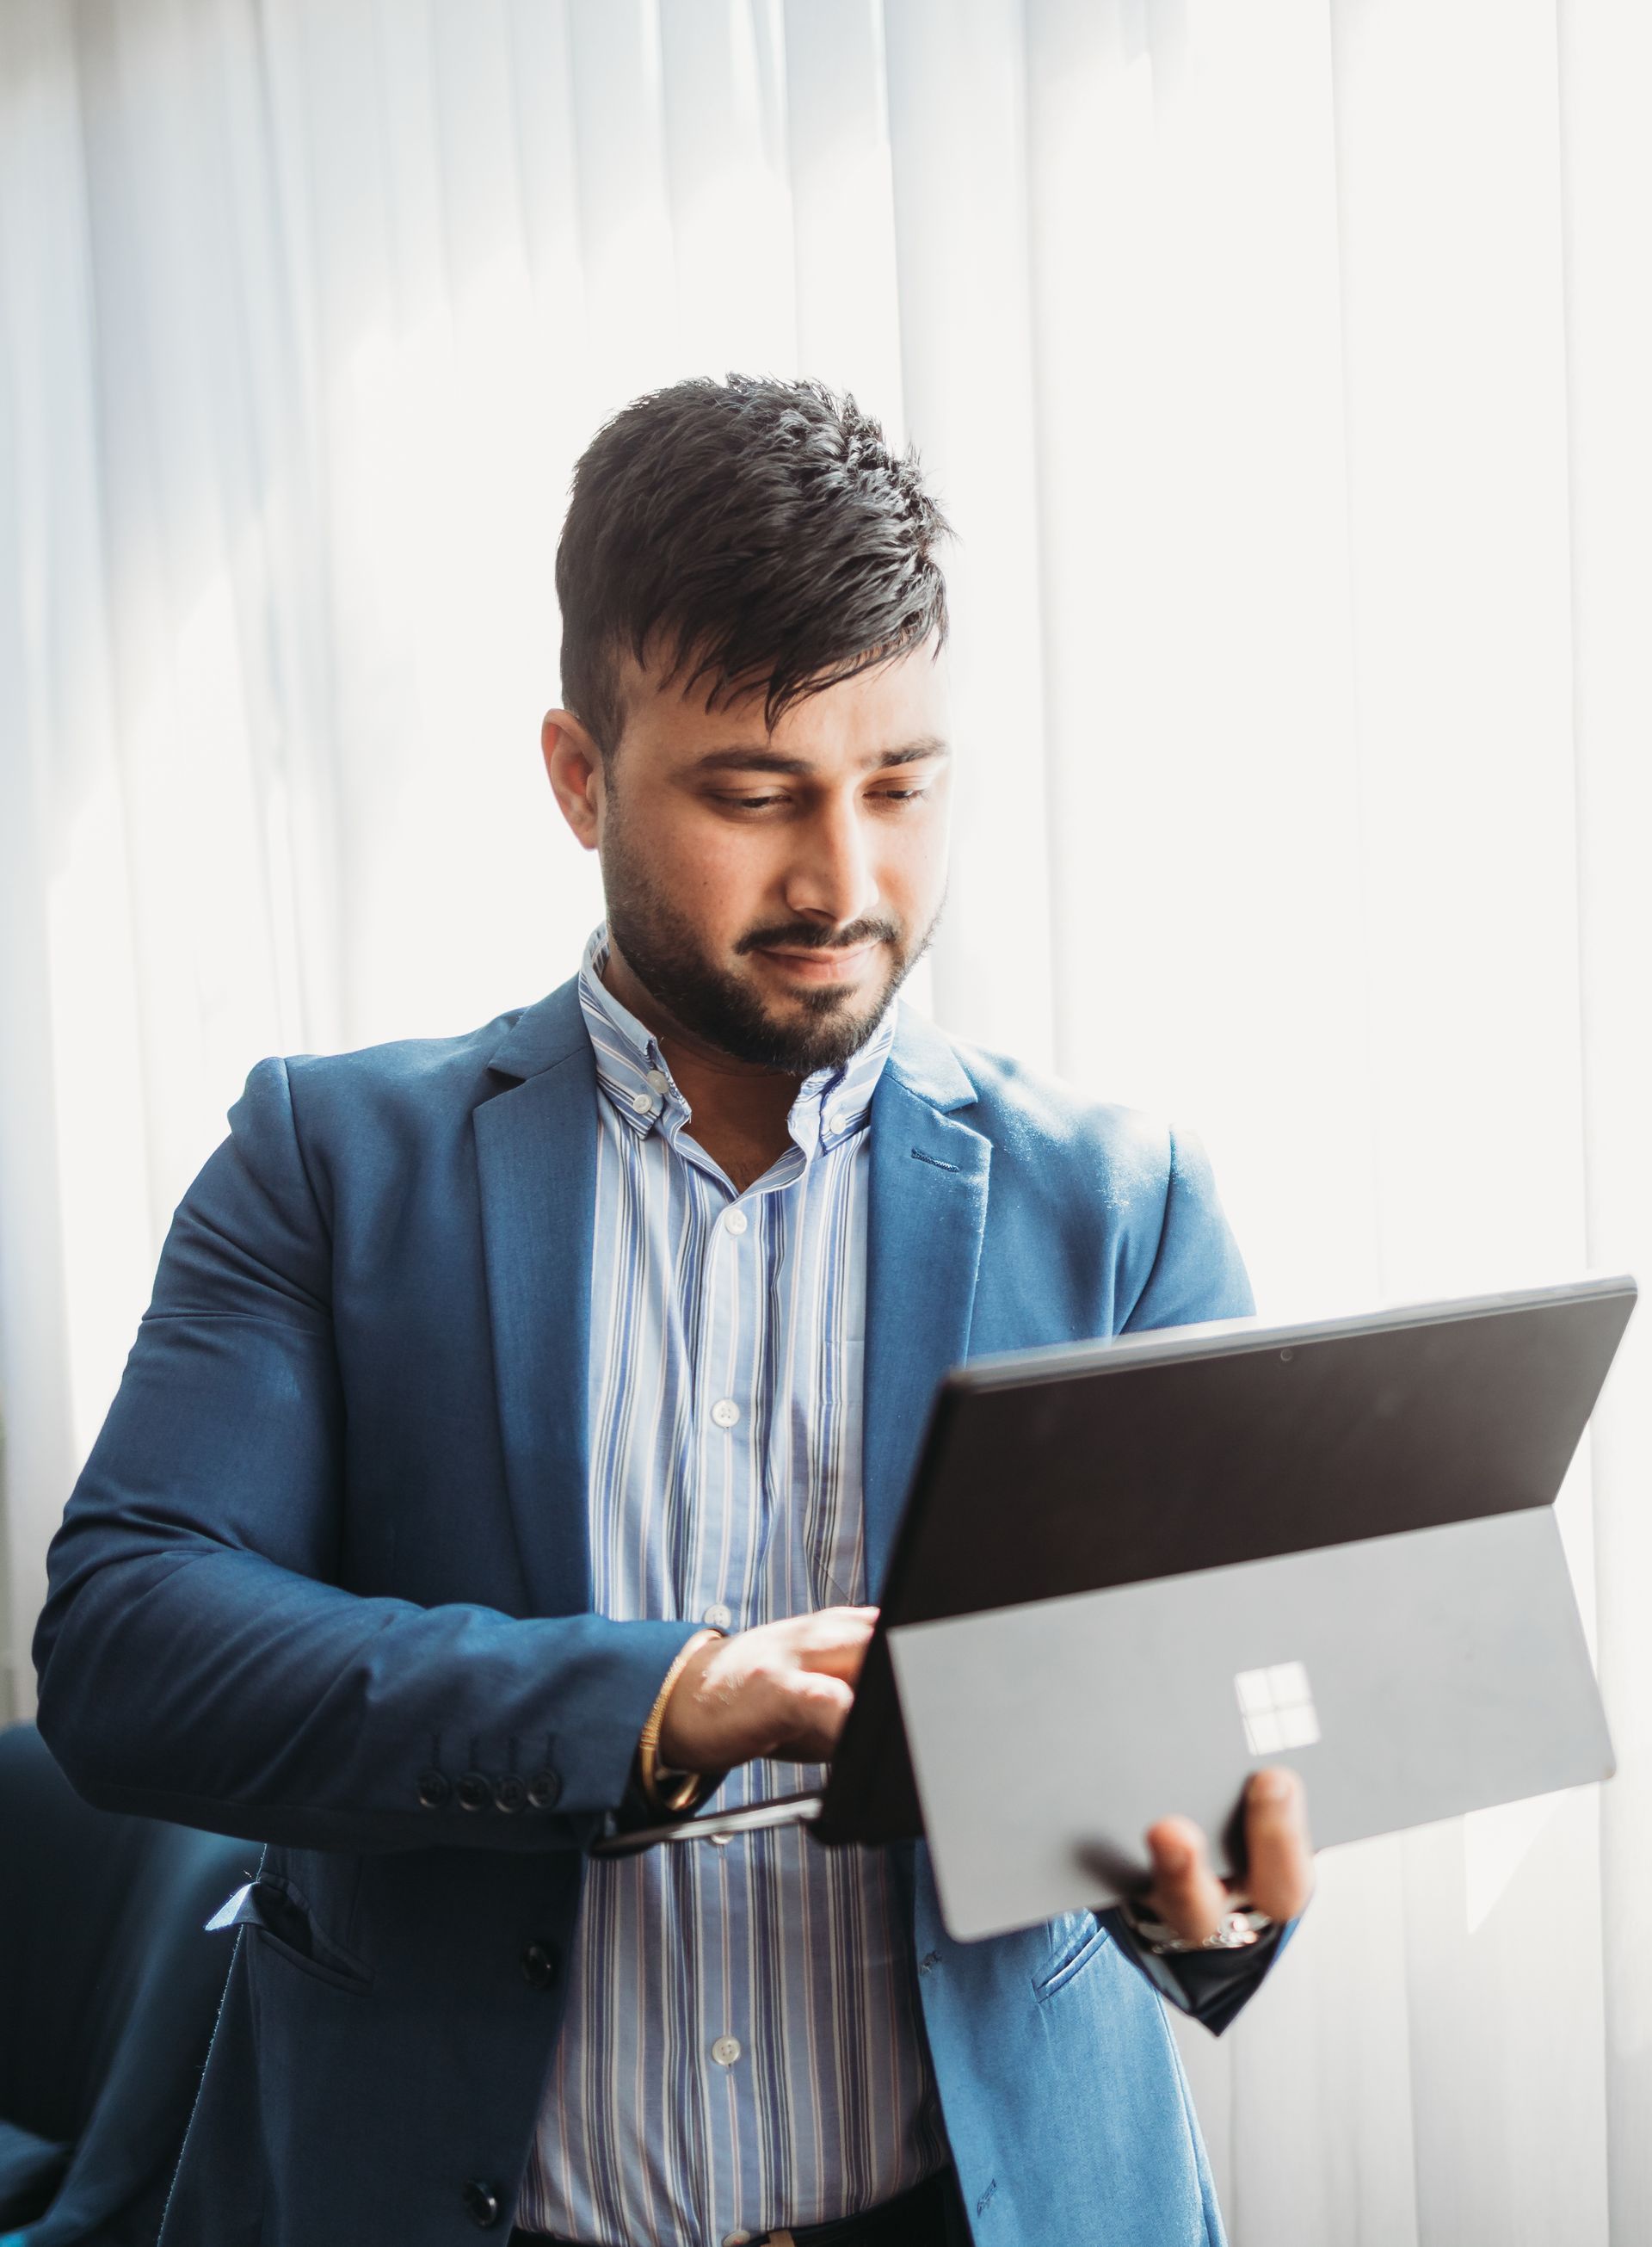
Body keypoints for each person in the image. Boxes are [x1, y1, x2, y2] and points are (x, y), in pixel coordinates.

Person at [33, 373, 1313, 2247]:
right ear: (577, 774)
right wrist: (665, 1699)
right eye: (756, 791)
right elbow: (129, 1646)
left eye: (902, 787)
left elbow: (1199, 1743)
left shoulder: (1120, 1199)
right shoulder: (329, 1161)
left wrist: (1219, 1883)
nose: (846, 881)